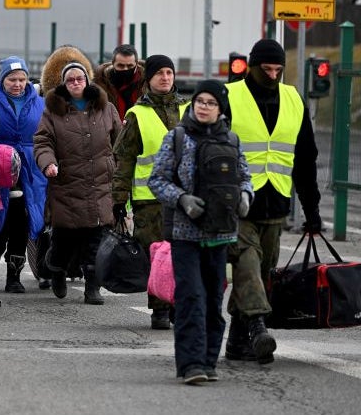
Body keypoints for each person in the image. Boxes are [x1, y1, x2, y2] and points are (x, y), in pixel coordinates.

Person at [223, 39, 322, 365]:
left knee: (261, 273)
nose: (273, 75)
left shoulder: (293, 99)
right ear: (251, 67)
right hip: (238, 203)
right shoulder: (231, 97)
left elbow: (306, 158)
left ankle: (238, 343)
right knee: (247, 263)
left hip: (276, 202)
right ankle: (258, 327)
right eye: (266, 69)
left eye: (278, 70)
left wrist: (311, 208)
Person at [148, 79, 253, 384]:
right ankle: (190, 364)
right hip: (185, 234)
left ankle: (208, 362)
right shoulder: (177, 138)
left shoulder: (231, 140)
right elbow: (158, 180)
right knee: (191, 298)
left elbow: (245, 177)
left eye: (211, 103)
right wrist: (181, 199)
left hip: (220, 234)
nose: (204, 107)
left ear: (221, 108)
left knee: (212, 302)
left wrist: (246, 196)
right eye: (200, 102)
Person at [34, 62, 121, 303]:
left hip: (100, 184)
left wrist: (117, 168)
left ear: (87, 80)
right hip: (67, 184)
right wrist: (48, 163)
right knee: (65, 239)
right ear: (64, 83)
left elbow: (120, 143)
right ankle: (57, 267)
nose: (75, 83)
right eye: (70, 79)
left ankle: (92, 287)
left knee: (96, 238)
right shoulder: (53, 111)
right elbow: (42, 142)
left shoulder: (106, 108)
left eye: (79, 78)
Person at [112, 54, 187, 330]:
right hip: (149, 200)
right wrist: (119, 199)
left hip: (184, 199)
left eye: (169, 73)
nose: (165, 78)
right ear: (149, 79)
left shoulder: (189, 110)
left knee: (183, 253)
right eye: (159, 73)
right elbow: (124, 161)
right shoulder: (137, 115)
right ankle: (159, 307)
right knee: (156, 254)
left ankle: (179, 304)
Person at [0, 56, 47, 292]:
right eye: (12, 79)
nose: (18, 84)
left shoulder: (39, 102)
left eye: (22, 79)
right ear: (2, 80)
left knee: (23, 219)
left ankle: (14, 276)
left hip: (30, 168)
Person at [93, 44, 145, 122]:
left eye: (130, 66)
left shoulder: (146, 83)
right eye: (120, 66)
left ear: (136, 64)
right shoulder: (100, 84)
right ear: (113, 63)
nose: (125, 69)